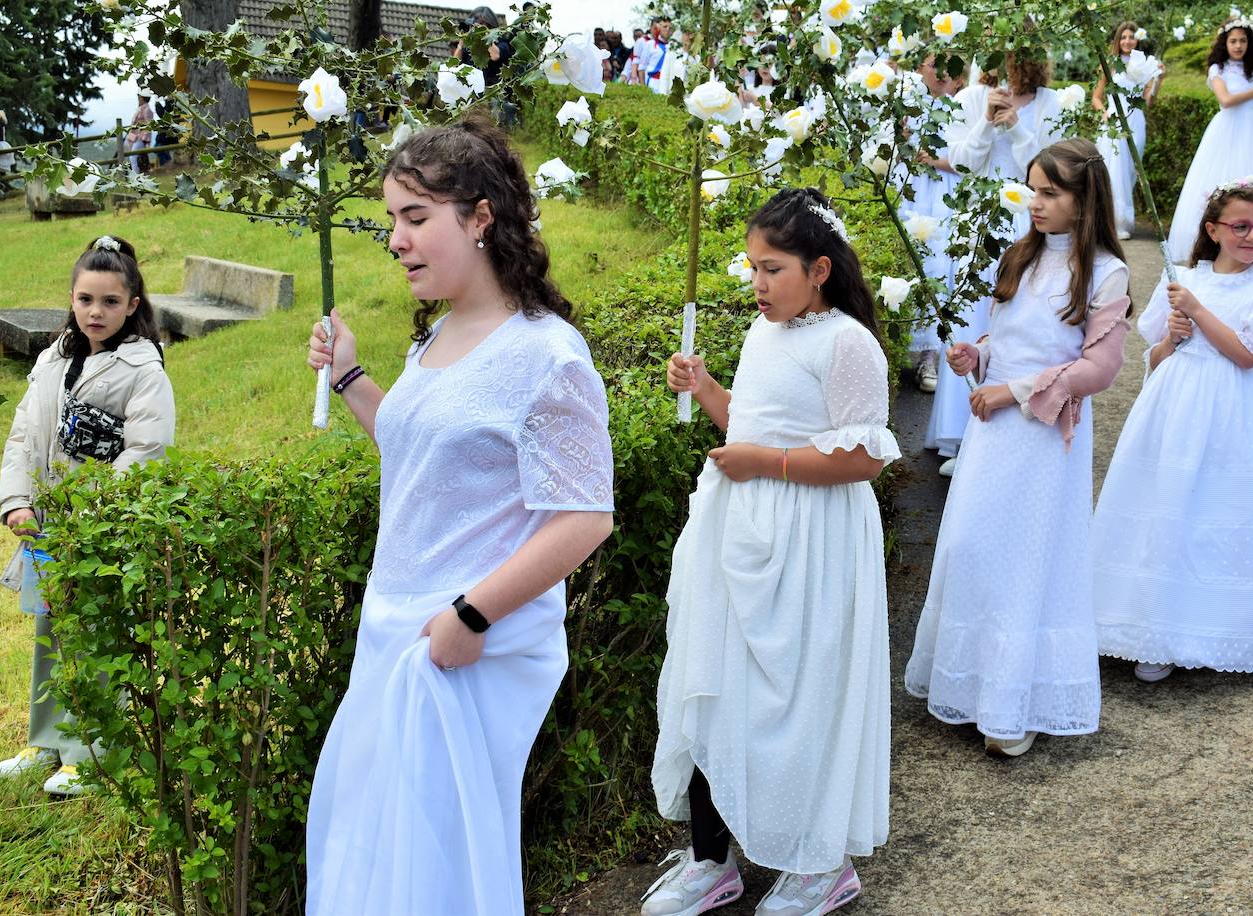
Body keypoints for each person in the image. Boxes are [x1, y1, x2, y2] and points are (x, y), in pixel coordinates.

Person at [304, 113, 615, 914]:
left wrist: (467, 618)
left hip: (457, 653)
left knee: (433, 866)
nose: (397, 240)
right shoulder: (438, 332)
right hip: (392, 630)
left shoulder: (546, 356)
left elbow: (584, 517)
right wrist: (349, 380)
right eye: (390, 223)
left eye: (415, 217)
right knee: (370, 851)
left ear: (481, 218)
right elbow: (423, 456)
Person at [645, 188, 897, 916]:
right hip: (740, 531)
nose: (757, 284)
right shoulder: (767, 333)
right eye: (751, 268)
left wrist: (764, 464)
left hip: (812, 543)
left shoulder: (847, 342)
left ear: (819, 269)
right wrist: (710, 389)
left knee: (800, 697)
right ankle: (710, 857)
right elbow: (753, 423)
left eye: (773, 269)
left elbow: (861, 460)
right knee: (711, 681)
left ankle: (822, 863)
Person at [905, 139, 1131, 757]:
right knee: (974, 546)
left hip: (1043, 435)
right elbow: (1008, 332)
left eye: (1050, 192)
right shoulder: (1019, 257)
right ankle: (970, 683)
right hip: (993, 428)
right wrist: (977, 356)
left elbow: (1099, 368)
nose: (1035, 202)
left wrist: (1013, 391)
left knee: (1028, 558)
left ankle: (1015, 702)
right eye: (1033, 188)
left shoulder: (1108, 274)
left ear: (1085, 202)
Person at [1094, 177, 1253, 681]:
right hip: (1175, 408)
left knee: (1222, 513)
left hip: (1236, 414)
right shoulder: (1182, 278)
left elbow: (1246, 356)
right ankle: (1152, 631)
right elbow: (1154, 355)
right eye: (1240, 226)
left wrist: (1197, 311)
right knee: (1167, 506)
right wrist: (1172, 339)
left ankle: (1216, 626)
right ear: (1213, 230)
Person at [0, 235, 174, 796]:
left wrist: (92, 514)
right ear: (71, 300)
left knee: (96, 637)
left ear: (132, 304)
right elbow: (24, 434)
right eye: (84, 299)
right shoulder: (53, 359)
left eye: (109, 302)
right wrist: (15, 501)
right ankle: (45, 740)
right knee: (51, 630)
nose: (95, 312)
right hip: (46, 526)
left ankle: (88, 750)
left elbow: (146, 453)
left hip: (100, 528)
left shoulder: (143, 369)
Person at [928, 47, 1064, 476]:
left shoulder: (1048, 103)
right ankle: (959, 435)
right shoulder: (970, 97)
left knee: (1014, 320)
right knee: (970, 324)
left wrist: (1018, 127)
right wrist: (986, 121)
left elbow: (1049, 172)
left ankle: (1011, 426)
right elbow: (963, 164)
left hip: (1027, 220)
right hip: (978, 221)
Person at [1166, 18, 1253, 266]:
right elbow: (1225, 100)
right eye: (1233, 40)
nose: (1238, 45)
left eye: (1243, 41)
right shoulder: (1217, 69)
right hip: (1227, 130)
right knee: (1220, 179)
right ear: (1225, 42)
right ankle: (1212, 242)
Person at [895, 55, 966, 393]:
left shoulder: (963, 107)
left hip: (944, 194)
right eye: (934, 64)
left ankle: (929, 356)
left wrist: (935, 159)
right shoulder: (904, 99)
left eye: (949, 67)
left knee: (938, 267)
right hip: (907, 188)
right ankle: (893, 350)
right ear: (921, 67)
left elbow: (974, 159)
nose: (940, 72)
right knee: (903, 263)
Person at [1092, 21, 1164, 240]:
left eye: (1131, 37)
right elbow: (1096, 96)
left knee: (1131, 172)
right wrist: (1104, 111)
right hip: (1114, 121)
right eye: (1123, 37)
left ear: (1137, 39)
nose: (1127, 41)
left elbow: (1147, 101)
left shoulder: (1142, 65)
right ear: (1117, 40)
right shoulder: (1109, 64)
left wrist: (1158, 80)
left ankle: (1118, 216)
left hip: (1135, 121)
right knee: (1114, 172)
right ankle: (1116, 223)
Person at [126, 94, 155, 174]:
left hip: (140, 138)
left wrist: (144, 139)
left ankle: (136, 176)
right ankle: (138, 174)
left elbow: (149, 126)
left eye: (139, 98)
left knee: (133, 157)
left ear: (142, 98)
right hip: (134, 137)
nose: (138, 99)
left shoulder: (147, 110)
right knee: (134, 156)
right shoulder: (141, 109)